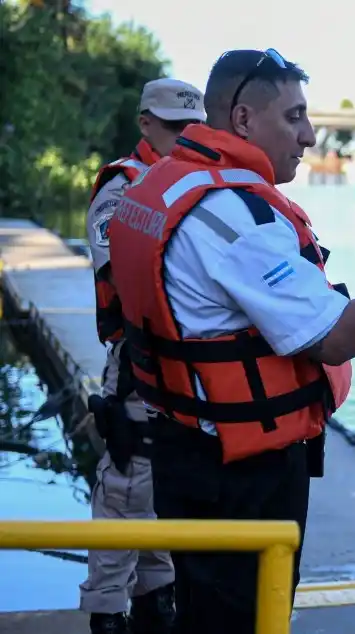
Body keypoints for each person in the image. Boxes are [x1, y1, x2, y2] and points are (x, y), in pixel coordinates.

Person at [105, 49, 355, 634]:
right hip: (239, 470)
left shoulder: (162, 185)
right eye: (294, 117)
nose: (310, 136)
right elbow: (335, 337)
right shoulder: (233, 215)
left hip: (185, 447)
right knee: (242, 618)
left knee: (205, 611)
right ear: (243, 119)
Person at [80, 77, 206, 634]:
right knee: (125, 490)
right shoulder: (122, 185)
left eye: (194, 128)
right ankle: (108, 613)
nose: (185, 138)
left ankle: (156, 600)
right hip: (139, 363)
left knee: (165, 488)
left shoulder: (196, 184)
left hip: (187, 366)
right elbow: (121, 269)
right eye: (175, 128)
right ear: (146, 124)